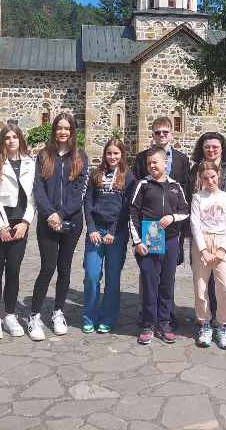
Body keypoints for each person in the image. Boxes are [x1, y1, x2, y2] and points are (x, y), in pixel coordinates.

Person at [29, 112, 89, 340]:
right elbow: (38, 188)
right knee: (47, 268)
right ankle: (34, 315)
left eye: (67, 128)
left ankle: (58, 312)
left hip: (71, 222)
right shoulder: (44, 155)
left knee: (64, 269)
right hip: (47, 222)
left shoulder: (80, 157)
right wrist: (50, 214)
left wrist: (61, 215)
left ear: (72, 131)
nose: (63, 132)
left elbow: (80, 192)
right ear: (54, 130)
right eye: (59, 128)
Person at [133, 116, 190, 326]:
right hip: (151, 227)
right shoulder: (142, 158)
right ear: (153, 135)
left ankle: (166, 316)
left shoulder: (182, 159)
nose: (162, 135)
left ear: (171, 134)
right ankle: (147, 316)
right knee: (149, 273)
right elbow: (137, 192)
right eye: (157, 132)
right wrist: (138, 236)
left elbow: (185, 193)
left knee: (168, 275)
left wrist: (178, 223)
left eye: (165, 132)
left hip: (173, 228)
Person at [187, 132, 226, 324]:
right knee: (202, 279)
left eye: (215, 146)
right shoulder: (195, 169)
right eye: (207, 147)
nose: (211, 150)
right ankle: (206, 317)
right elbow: (190, 196)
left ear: (222, 148)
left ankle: (221, 320)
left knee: (222, 280)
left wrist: (219, 206)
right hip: (201, 231)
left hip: (222, 231)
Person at [0, 123, 36, 340]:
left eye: (15, 137)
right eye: (7, 137)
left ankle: (10, 315)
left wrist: (26, 222)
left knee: (14, 270)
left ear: (20, 139)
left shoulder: (30, 164)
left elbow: (33, 197)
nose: (11, 140)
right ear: (3, 141)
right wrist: (0, 227)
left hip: (20, 224)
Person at [82, 139, 136, 334]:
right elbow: (88, 202)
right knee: (91, 275)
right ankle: (89, 317)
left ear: (122, 155)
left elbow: (126, 208)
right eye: (109, 153)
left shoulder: (128, 177)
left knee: (112, 279)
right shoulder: (96, 174)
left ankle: (107, 318)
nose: (112, 157)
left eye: (116, 153)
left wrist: (113, 231)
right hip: (96, 232)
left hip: (116, 234)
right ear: (105, 154)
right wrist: (91, 228)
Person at [189, 162, 226, 350]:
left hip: (220, 242)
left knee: (224, 287)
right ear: (200, 179)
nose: (210, 181)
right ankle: (205, 324)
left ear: (219, 175)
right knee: (200, 287)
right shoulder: (197, 198)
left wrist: (222, 249)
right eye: (205, 178)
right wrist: (203, 250)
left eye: (213, 177)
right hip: (202, 242)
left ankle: (223, 325)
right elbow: (195, 224)